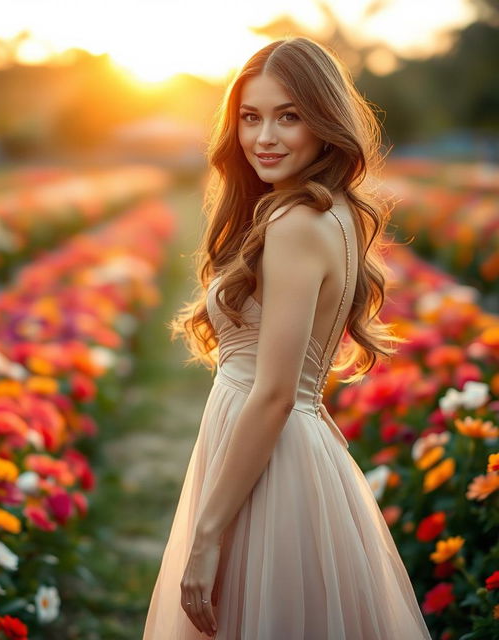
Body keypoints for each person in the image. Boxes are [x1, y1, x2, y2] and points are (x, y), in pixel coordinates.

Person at [142, 36, 432, 639]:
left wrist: (206, 534)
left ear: (325, 123)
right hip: (283, 446)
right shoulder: (334, 211)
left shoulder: (296, 222)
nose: (264, 137)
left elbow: (275, 393)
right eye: (251, 117)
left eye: (289, 116)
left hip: (267, 455)